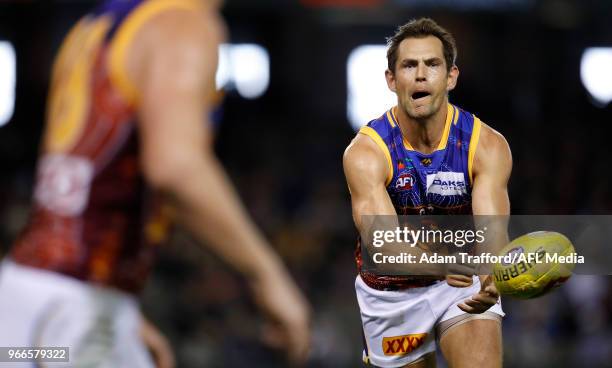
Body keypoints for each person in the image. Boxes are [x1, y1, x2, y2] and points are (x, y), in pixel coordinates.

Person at [0, 0, 310, 367]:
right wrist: (266, 275)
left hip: (29, 301)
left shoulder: (101, 23)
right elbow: (175, 166)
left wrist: (119, 309)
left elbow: (78, 192)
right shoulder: (182, 23)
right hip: (74, 312)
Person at [343, 18, 512, 367]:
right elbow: (383, 243)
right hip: (392, 295)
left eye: (432, 64)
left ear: (451, 77)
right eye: (409, 65)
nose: (421, 75)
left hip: (460, 281)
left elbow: (491, 228)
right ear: (392, 80)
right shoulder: (366, 152)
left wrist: (493, 273)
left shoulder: (487, 146)